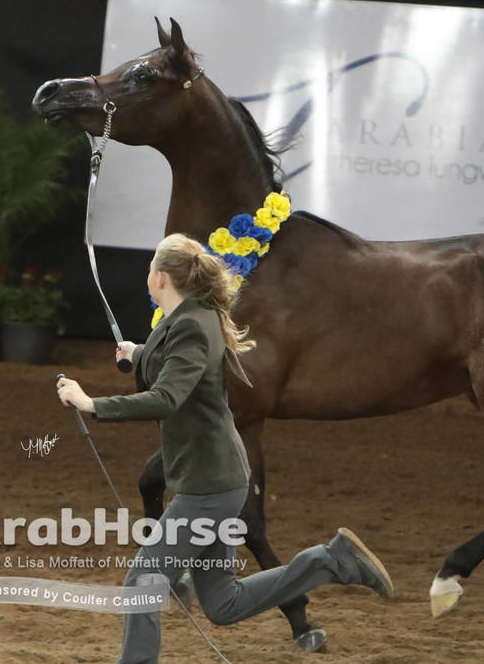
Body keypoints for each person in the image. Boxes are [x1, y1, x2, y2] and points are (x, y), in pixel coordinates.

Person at [56, 233, 393, 663]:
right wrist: (139, 352)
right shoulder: (192, 316)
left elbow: (166, 397)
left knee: (142, 582)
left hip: (208, 487)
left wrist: (91, 404)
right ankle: (331, 561)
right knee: (223, 603)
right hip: (215, 480)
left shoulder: (193, 327)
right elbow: (174, 359)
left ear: (159, 278)